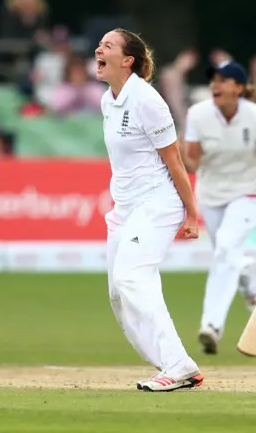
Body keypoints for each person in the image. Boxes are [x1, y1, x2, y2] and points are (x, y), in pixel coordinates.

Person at [95, 28, 203, 391]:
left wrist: (191, 213)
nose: (99, 49)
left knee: (131, 277)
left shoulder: (148, 101)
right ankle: (169, 364)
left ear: (128, 61)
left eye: (107, 45)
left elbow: (175, 163)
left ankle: (178, 364)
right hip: (124, 208)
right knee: (117, 292)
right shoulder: (107, 101)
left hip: (158, 202)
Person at [183, 60, 256, 354]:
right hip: (211, 194)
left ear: (238, 88)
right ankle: (250, 281)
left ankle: (211, 326)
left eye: (223, 80)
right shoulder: (198, 115)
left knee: (226, 248)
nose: (215, 84)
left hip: (249, 191)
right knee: (227, 254)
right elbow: (191, 160)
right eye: (213, 79)